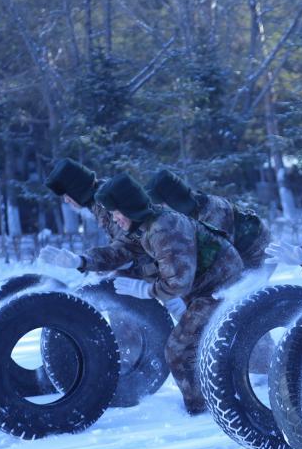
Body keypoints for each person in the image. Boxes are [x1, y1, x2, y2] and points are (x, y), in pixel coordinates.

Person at [40, 173, 244, 415]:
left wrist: (146, 290)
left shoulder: (165, 228)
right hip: (202, 285)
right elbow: (121, 251)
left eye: (116, 213)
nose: (114, 219)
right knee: (227, 341)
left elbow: (178, 283)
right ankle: (216, 394)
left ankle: (203, 410)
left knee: (180, 348)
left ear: (129, 207)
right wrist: (81, 260)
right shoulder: (143, 224)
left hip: (220, 286)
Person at [144, 169, 271, 273]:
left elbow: (213, 257)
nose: (160, 210)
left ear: (173, 199)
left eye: (161, 204)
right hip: (238, 258)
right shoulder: (188, 211)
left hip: (257, 259)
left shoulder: (213, 211)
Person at [44, 158, 150, 277]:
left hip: (157, 275)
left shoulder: (106, 203)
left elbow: (126, 249)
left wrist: (82, 261)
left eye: (66, 194)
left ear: (77, 190)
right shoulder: (99, 200)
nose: (66, 200)